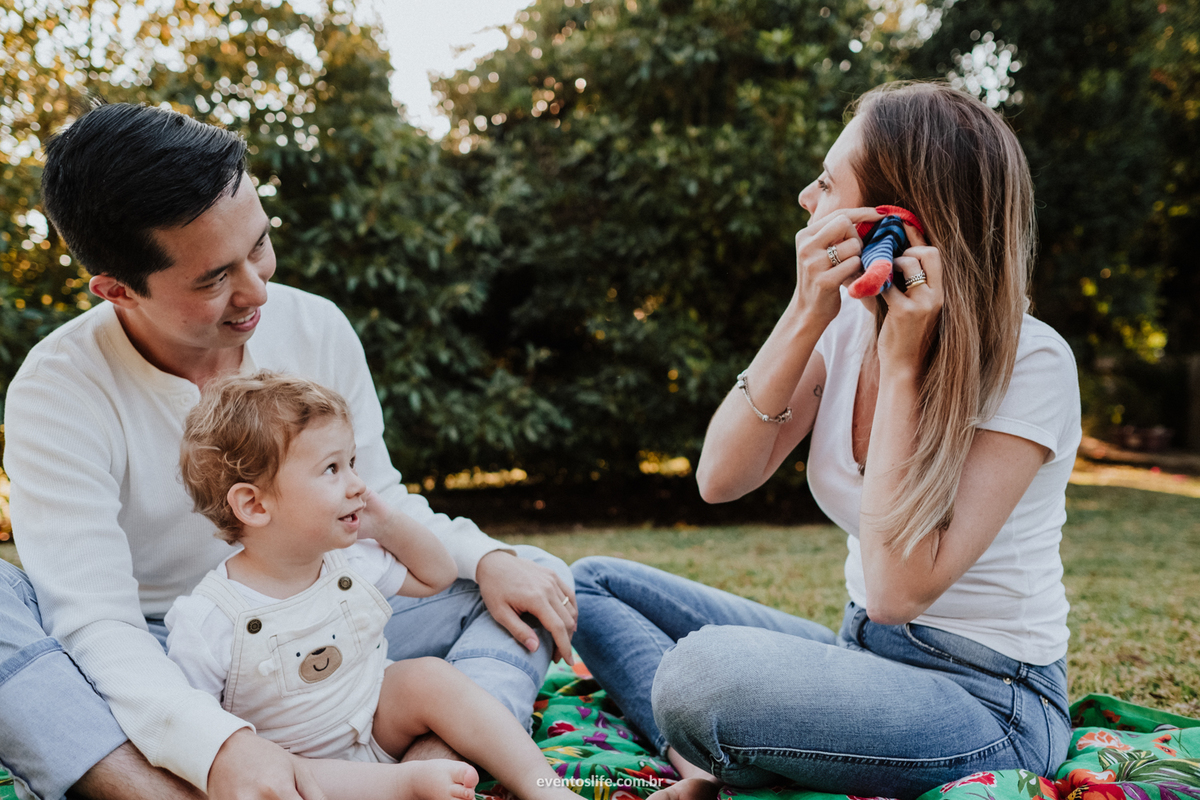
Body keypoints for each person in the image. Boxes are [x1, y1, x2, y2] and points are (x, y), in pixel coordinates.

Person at [0, 101, 575, 800]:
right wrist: (218, 747)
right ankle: (167, 792)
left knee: (525, 571)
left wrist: (485, 559)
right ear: (118, 290)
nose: (256, 288)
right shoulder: (56, 388)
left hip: (323, 616)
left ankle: (420, 765)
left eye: (260, 246)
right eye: (213, 279)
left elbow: (373, 497)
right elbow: (94, 620)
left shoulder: (314, 326)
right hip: (166, 648)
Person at [571, 81, 1081, 800]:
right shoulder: (844, 326)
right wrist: (805, 310)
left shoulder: (1032, 361)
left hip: (988, 704)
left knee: (700, 674)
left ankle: (725, 754)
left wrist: (903, 368)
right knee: (590, 584)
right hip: (861, 657)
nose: (806, 200)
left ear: (898, 221)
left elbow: (898, 593)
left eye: (825, 182)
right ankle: (703, 769)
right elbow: (720, 477)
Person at [166, 371, 580, 800]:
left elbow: (435, 575)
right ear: (254, 504)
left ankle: (545, 788)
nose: (357, 484)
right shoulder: (210, 619)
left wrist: (387, 524)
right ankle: (407, 785)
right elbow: (196, 731)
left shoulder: (348, 560)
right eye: (331, 468)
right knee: (276, 767)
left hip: (375, 722)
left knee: (428, 678)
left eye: (352, 463)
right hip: (304, 775)